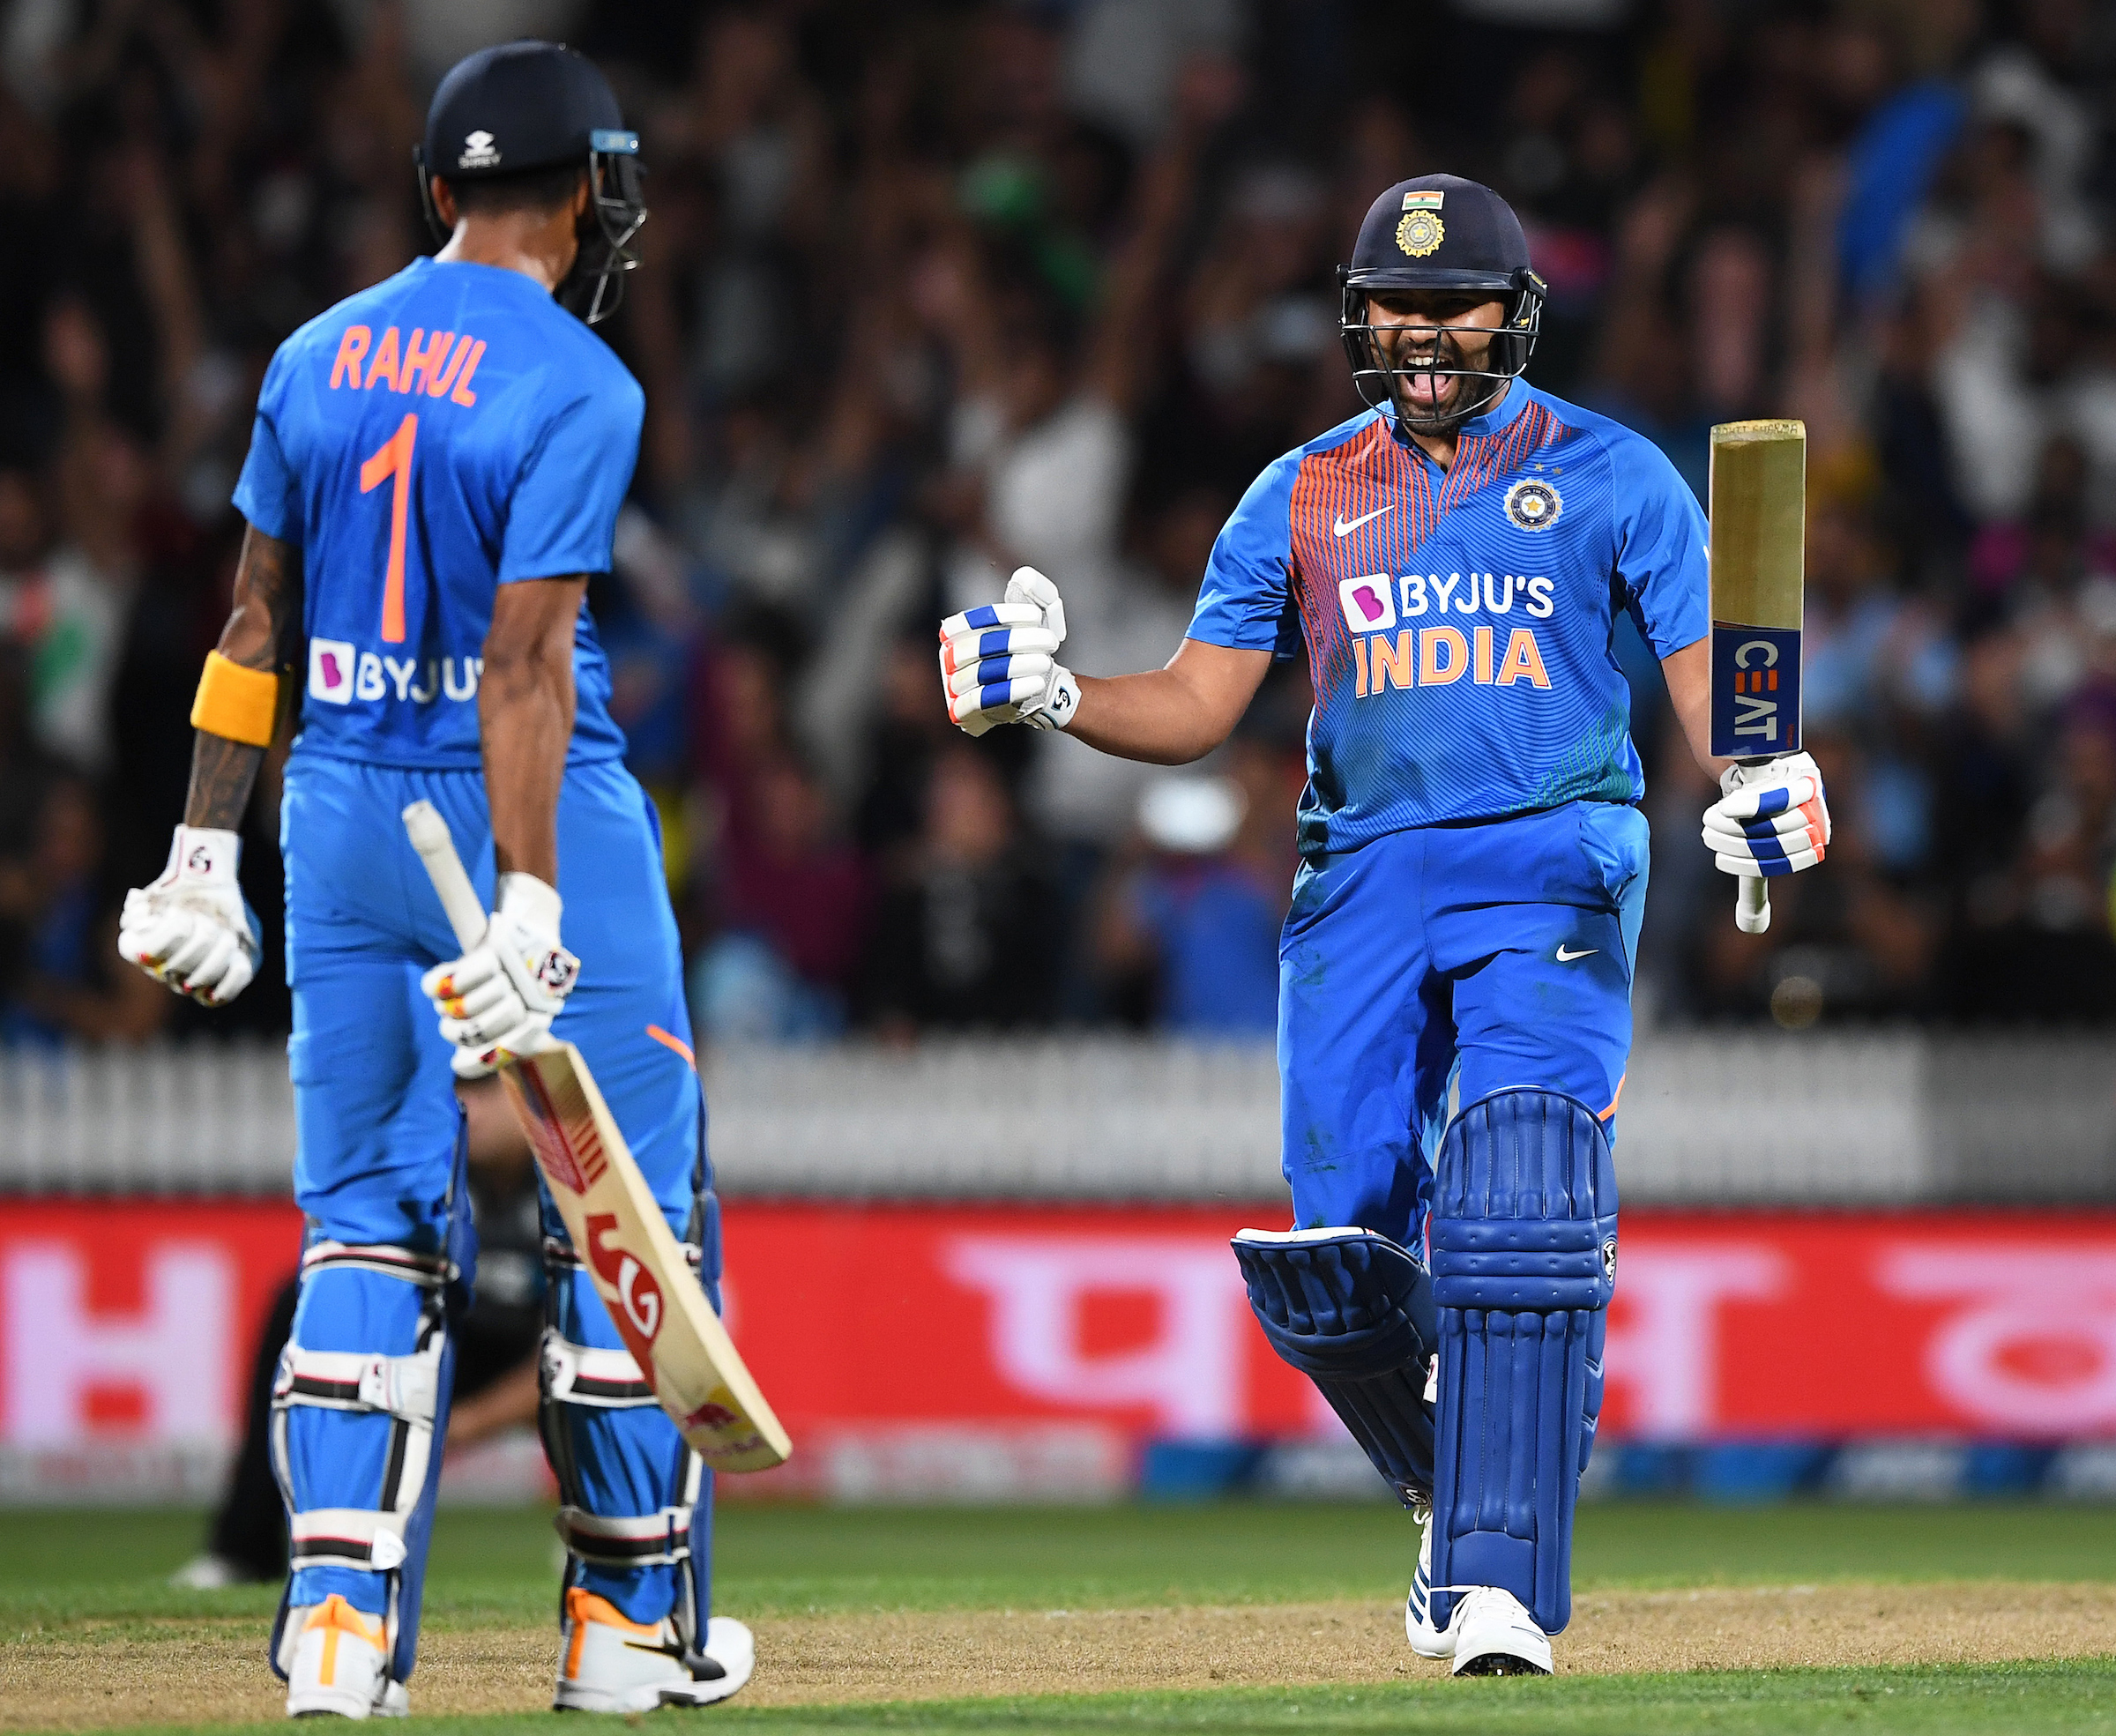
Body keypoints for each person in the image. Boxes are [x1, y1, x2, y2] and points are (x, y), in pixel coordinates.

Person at [938, 174, 1830, 1675]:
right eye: (1396, 307)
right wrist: (1058, 693)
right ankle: (1453, 1476)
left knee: (1525, 1180)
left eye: (1453, 304)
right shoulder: (1298, 492)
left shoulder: (1617, 478)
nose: (1424, 334)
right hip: (1356, 881)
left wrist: (1769, 779)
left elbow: (1714, 701)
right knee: (1338, 1251)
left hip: (1554, 860)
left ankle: (1494, 1574)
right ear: (1361, 316)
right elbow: (1204, 704)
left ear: (1516, 313)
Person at [116, 42, 751, 1717]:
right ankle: (622, 1633)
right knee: (620, 1221)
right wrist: (532, 897)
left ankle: (334, 1630)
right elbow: (525, 667)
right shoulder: (579, 381)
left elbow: (253, 624)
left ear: (436, 188)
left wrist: (199, 855)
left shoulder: (314, 350)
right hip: (531, 820)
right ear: (587, 194)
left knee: (365, 1230)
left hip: (328, 816)